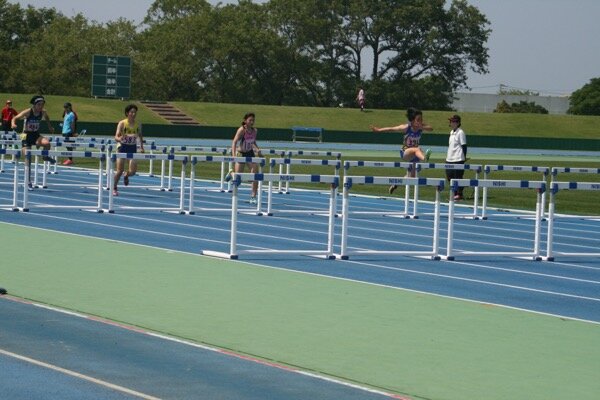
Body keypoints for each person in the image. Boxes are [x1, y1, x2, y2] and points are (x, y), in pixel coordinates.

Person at [370, 107, 433, 194]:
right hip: (405, 152)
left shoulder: (420, 127)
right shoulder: (406, 127)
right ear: (412, 120)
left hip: (414, 155)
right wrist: (379, 130)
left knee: (412, 177)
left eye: (421, 119)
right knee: (417, 149)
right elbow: (392, 128)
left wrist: (422, 127)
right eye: (418, 119)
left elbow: (431, 128)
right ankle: (425, 158)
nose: (420, 121)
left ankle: (396, 184)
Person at [11, 95, 56, 188]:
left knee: (47, 144)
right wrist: (13, 124)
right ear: (34, 105)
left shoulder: (43, 112)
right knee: (28, 158)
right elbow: (14, 118)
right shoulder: (28, 112)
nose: (41, 107)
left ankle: (45, 156)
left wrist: (50, 126)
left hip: (35, 135)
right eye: (39, 105)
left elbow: (47, 118)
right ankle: (28, 181)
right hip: (26, 136)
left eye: (42, 105)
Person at [225, 112, 262, 204]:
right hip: (241, 153)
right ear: (245, 121)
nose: (252, 122)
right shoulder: (242, 130)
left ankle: (253, 196)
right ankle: (231, 172)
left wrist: (257, 149)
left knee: (255, 175)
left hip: (250, 153)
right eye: (250, 120)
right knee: (238, 178)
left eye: (253, 120)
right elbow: (234, 142)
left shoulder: (255, 131)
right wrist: (234, 156)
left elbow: (253, 142)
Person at [113, 104, 144, 196]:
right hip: (122, 147)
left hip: (132, 147)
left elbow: (140, 136)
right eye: (132, 112)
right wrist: (120, 139)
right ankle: (114, 187)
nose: (134, 114)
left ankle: (126, 175)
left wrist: (142, 147)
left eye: (135, 112)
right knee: (119, 170)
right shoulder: (122, 123)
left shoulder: (138, 124)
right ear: (127, 113)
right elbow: (116, 136)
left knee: (133, 171)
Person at [445, 114, 468, 201]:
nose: (450, 123)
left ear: (457, 123)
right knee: (449, 177)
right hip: (449, 159)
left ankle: (459, 194)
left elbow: (464, 145)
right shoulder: (451, 132)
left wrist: (464, 157)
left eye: (452, 121)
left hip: (458, 159)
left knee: (457, 177)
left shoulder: (460, 132)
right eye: (450, 121)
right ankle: (454, 193)